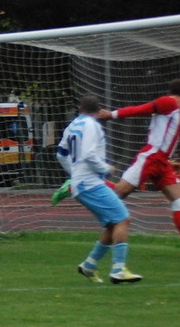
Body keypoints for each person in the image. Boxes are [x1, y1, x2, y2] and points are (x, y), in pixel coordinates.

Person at [53, 79, 180, 268]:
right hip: (152, 157)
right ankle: (73, 185)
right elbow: (142, 108)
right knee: (119, 193)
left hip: (163, 162)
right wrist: (112, 114)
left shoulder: (174, 108)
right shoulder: (168, 102)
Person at [56, 94, 141, 284]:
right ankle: (119, 269)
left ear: (80, 108)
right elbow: (88, 154)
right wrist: (106, 169)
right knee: (123, 219)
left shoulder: (73, 126)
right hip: (90, 181)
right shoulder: (92, 125)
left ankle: (89, 265)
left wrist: (74, 173)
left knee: (113, 224)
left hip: (81, 182)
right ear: (98, 111)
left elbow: (61, 154)